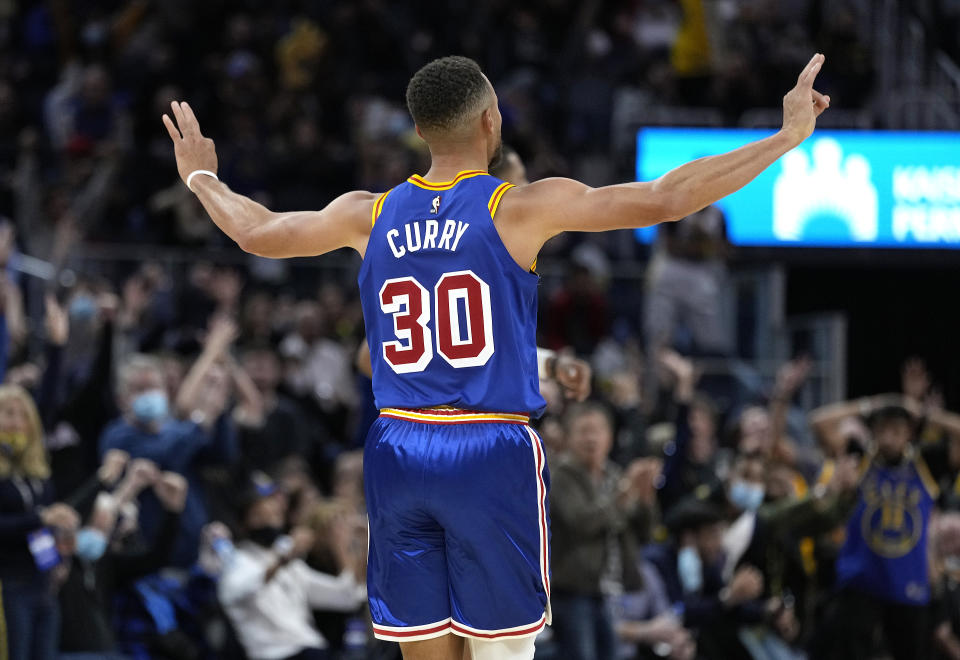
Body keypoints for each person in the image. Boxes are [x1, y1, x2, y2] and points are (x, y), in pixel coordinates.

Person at [162, 52, 830, 660]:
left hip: (398, 448)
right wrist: (783, 138)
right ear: (492, 119)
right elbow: (667, 196)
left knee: (424, 653)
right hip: (487, 447)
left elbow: (258, 231)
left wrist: (200, 177)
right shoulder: (517, 207)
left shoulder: (367, 213)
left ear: (421, 131)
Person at [550, 402, 660, 660]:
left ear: (609, 437)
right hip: (570, 593)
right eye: (584, 431)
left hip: (608, 592)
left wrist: (645, 498)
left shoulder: (613, 475)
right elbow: (581, 522)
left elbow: (644, 532)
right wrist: (623, 495)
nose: (591, 438)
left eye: (597, 431)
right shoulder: (558, 476)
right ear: (568, 438)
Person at [217, 473, 366, 660]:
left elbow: (348, 597)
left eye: (275, 514)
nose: (272, 516)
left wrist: (343, 548)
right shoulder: (238, 562)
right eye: (260, 515)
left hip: (313, 650)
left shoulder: (292, 565)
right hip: (276, 655)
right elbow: (239, 590)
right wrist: (283, 558)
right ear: (245, 522)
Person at [0, 385, 80, 660]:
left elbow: (37, 532)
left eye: (24, 416)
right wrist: (41, 517)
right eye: (8, 413)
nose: (17, 422)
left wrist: (52, 562)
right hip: (8, 585)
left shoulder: (37, 473)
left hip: (40, 584)